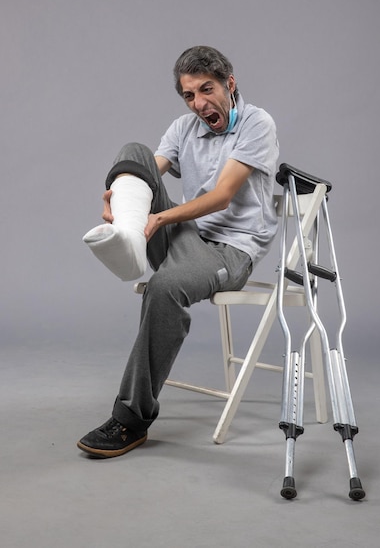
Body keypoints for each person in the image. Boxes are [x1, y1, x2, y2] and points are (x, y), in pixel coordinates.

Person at [77, 45, 279, 458]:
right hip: (186, 238)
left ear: (230, 84)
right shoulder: (183, 128)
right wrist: (118, 200)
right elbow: (147, 172)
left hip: (229, 251)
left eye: (207, 90)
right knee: (132, 153)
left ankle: (131, 420)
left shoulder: (257, 124)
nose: (200, 103)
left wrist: (160, 220)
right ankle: (130, 242)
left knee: (164, 287)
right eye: (190, 95)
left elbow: (223, 196)